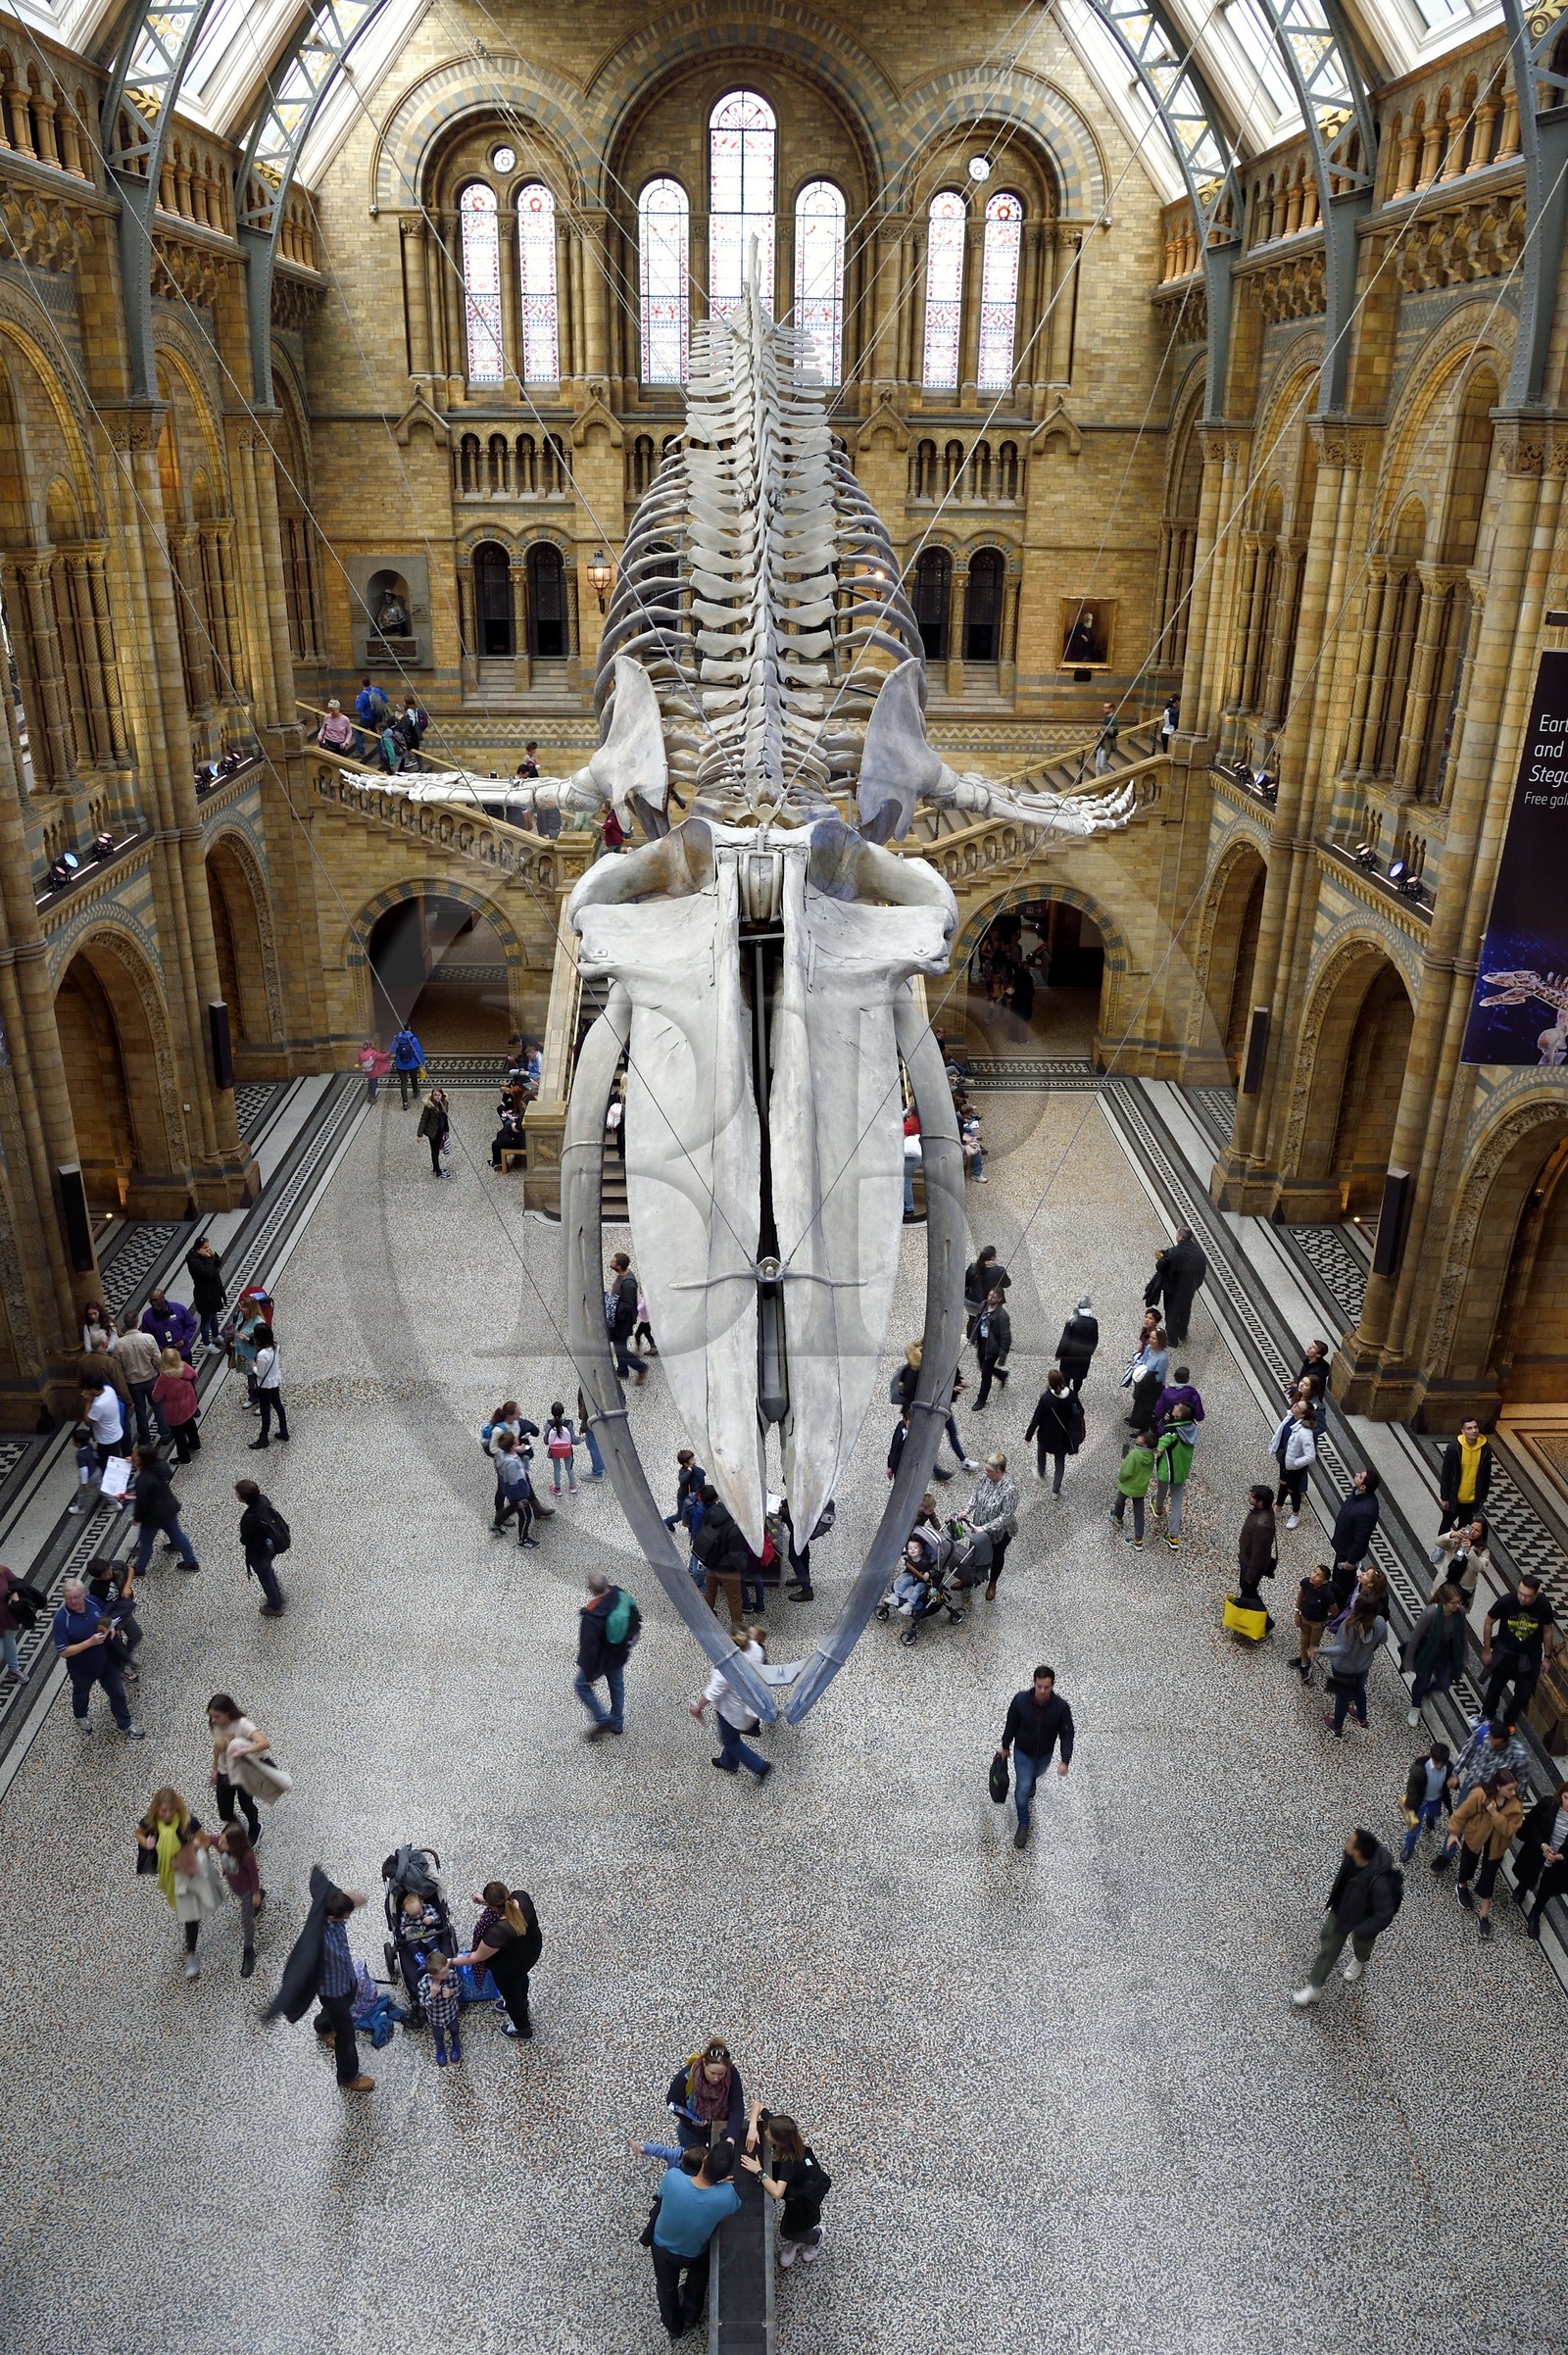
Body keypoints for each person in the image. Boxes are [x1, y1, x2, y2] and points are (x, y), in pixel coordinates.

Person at [641, 2135, 740, 2340]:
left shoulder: (673, 2177)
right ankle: (691, 2316)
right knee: (698, 2279)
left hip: (661, 2246)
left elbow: (661, 2195)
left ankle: (673, 2326)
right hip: (694, 2252)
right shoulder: (727, 2194)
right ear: (726, 2174)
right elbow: (734, 2207)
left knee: (666, 2287)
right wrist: (721, 2184)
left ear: (704, 2161)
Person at [1291, 1829, 1402, 2003]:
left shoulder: (1380, 1883)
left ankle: (1360, 1959)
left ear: (1358, 1851)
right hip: (1343, 1909)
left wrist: (1362, 1929)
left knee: (1362, 1945)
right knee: (1329, 1946)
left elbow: (1385, 1914)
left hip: (1364, 1918)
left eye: (1350, 1841)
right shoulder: (1352, 1857)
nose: (1346, 1843)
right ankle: (1315, 1988)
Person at [135, 1790, 218, 1979]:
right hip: (170, 1874)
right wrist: (145, 1842)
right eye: (163, 1811)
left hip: (188, 1873)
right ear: (156, 1810)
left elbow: (205, 1841)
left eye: (171, 1810)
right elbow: (138, 1832)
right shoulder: (152, 1822)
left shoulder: (187, 1822)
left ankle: (191, 1954)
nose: (167, 1815)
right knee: (183, 1906)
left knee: (190, 1914)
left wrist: (193, 1849)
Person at [741, 2108, 831, 2270]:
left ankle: (815, 2237)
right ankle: (800, 2238)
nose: (766, 2133)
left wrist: (758, 2170)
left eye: (769, 2133)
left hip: (801, 2201)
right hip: (796, 2192)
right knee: (791, 2226)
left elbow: (777, 2192)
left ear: (780, 2140)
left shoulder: (789, 2162)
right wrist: (753, 2127)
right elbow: (758, 2106)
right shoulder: (781, 2128)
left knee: (788, 2230)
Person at [452, 1883, 543, 2041]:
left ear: (494, 1907)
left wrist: (450, 1962)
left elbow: (476, 1957)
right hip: (531, 1951)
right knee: (521, 1978)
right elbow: (505, 1905)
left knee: (512, 1996)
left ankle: (522, 2029)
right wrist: (486, 1901)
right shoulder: (522, 1896)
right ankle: (524, 2002)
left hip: (509, 1967)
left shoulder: (497, 1932)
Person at [53, 1577, 143, 1736]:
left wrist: (111, 1629)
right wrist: (89, 1642)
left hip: (105, 1660)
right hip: (82, 1667)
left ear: (83, 1594)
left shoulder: (93, 1601)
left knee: (118, 1693)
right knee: (81, 1693)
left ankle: (125, 1723)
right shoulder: (62, 1620)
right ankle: (81, 1716)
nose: (73, 1602)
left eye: (76, 1597)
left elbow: (105, 1617)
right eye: (68, 1599)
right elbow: (63, 1651)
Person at [999, 1665, 1074, 1850]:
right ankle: (1023, 1822)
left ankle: (1032, 1779)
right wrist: (1005, 1746)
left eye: (1046, 1687)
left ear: (1052, 1685)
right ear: (1034, 1683)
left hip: (1044, 1755)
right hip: (1022, 1753)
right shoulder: (1020, 1701)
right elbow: (1011, 1724)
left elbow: (1067, 1734)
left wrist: (1065, 1759)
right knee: (1022, 1789)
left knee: (1035, 1774)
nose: (1042, 1691)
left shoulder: (1061, 1708)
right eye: (1039, 1686)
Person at [1441, 1771, 1524, 1940]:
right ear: (1499, 1787)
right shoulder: (1479, 1795)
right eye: (1510, 1789)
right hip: (1475, 1837)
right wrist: (1454, 1833)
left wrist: (1494, 1812)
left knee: (1489, 1878)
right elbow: (1461, 1814)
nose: (1514, 1793)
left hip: (1497, 1846)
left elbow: (1508, 1830)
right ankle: (1462, 1886)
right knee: (1467, 1866)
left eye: (1515, 1789)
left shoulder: (1515, 1807)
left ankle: (1484, 1916)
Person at [691, 1630, 774, 1782]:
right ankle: (728, 1763)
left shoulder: (725, 1668)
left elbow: (713, 1691)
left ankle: (759, 1766)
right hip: (750, 1703)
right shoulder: (756, 1649)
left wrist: (698, 1707)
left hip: (731, 1711)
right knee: (731, 1738)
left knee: (731, 1741)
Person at [1481, 1574, 1557, 1727]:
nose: (1522, 1598)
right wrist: (1487, 1650)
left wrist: (1547, 1657)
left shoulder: (1543, 1606)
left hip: (1530, 1656)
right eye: (1520, 1593)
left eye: (1527, 1596)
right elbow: (1488, 1622)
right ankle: (1487, 1715)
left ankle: (1509, 1721)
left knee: (1524, 1694)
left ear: (1536, 1594)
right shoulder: (1507, 1600)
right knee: (1495, 1687)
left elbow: (1548, 1631)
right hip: (1506, 1652)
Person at [576, 1570, 641, 1740]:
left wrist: (589, 1675)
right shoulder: (619, 1594)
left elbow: (589, 1649)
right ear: (607, 1585)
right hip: (618, 1655)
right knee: (617, 1687)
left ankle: (602, 1719)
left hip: (601, 1661)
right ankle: (617, 1723)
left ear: (591, 1589)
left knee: (581, 1685)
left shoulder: (592, 1616)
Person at [206, 1693, 271, 1841]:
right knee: (224, 1811)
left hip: (244, 1771)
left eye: (217, 1716)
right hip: (225, 1771)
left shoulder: (243, 1725)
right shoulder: (215, 1724)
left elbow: (264, 1743)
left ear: (227, 1713)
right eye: (211, 1716)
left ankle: (255, 1828)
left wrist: (244, 1750)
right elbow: (217, 1746)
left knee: (246, 1804)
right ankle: (237, 1827)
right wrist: (215, 1768)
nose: (213, 1720)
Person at [1320, 1597, 1389, 1737]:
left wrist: (1319, 1650)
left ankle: (1337, 1726)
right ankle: (1362, 1717)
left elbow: (1343, 1650)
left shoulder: (1350, 1624)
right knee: (1359, 1690)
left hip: (1343, 1668)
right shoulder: (1380, 1622)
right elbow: (1383, 1640)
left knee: (1342, 1697)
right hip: (1363, 1666)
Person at [128, 1445, 201, 1574]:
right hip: (168, 1508)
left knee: (146, 1544)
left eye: (135, 1455)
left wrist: (137, 1518)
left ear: (142, 1460)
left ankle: (139, 1569)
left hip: (152, 1516)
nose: (133, 1455)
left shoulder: (143, 1480)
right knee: (177, 1534)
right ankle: (191, 1562)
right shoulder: (160, 1465)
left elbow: (142, 1503)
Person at [665, 2038, 746, 2151]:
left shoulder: (732, 2074)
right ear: (704, 2063)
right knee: (692, 2162)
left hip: (721, 2126)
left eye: (721, 2074)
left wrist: (731, 2137)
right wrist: (693, 2121)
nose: (716, 2078)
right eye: (712, 2073)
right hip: (692, 2131)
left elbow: (736, 2105)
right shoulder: (687, 2076)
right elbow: (672, 2102)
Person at [1402, 1583, 1468, 1724]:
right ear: (1444, 1602)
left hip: (1446, 1652)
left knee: (1444, 1683)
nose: (1457, 1606)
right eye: (1453, 1603)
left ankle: (1426, 1694)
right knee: (1422, 1681)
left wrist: (1464, 1655)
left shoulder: (1460, 1612)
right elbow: (1415, 1637)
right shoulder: (1430, 1613)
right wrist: (1408, 1661)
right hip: (1427, 1650)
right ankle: (1415, 1707)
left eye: (1459, 1602)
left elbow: (1463, 1634)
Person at [1446, 1716, 1535, 1815]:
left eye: (1496, 1745)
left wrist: (1516, 1803)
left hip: (1493, 1795)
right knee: (1461, 1813)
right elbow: (1468, 1750)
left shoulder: (1519, 1755)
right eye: (1490, 1739)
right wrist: (1455, 1774)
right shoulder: (1483, 1734)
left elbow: (1523, 1781)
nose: (1490, 1744)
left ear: (1506, 1742)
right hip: (1472, 1783)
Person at [1512, 1780, 1568, 1938]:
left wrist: (1563, 1856)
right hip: (1539, 1850)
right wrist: (1542, 1844)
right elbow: (1530, 1824)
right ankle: (1522, 1887)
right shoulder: (1548, 1804)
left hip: (1560, 1861)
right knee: (1529, 1872)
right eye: (1566, 1797)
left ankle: (1535, 1913)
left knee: (1549, 1887)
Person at [214, 1822, 265, 1978]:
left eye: (223, 1842)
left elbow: (254, 1875)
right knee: (249, 1904)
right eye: (220, 1839)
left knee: (246, 1921)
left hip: (247, 1892)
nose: (219, 1843)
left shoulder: (247, 1856)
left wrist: (255, 1892)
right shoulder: (222, 1844)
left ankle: (249, 1950)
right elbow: (209, 1839)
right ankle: (260, 1896)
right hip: (235, 1886)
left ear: (235, 1845)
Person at [1434, 1416, 1492, 1549]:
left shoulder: (1486, 1449)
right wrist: (1444, 1497)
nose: (1474, 1431)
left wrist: (1482, 1496)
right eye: (1469, 1428)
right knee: (1446, 1523)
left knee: (1465, 1526)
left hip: (1471, 1499)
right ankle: (1441, 1547)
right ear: (1463, 1431)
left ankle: (1457, 1546)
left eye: (1475, 1427)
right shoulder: (1454, 1448)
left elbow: (1486, 1474)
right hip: (1455, 1497)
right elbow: (1446, 1474)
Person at [692, 1486, 747, 1624]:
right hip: (727, 1569)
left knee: (710, 1590)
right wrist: (744, 1564)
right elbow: (736, 1556)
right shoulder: (734, 1529)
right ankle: (737, 1631)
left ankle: (707, 1617)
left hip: (711, 1562)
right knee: (735, 1600)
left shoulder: (713, 1511)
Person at [111, 1319, 169, 1448]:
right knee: (158, 1406)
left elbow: (118, 1366)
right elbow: (157, 1359)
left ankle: (145, 1438)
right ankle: (165, 1434)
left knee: (140, 1410)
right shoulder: (148, 1338)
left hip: (133, 1382)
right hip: (151, 1378)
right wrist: (160, 1373)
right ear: (136, 1323)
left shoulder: (120, 1344)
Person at [1146, 1227, 1206, 1346]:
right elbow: (1202, 1272)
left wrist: (1161, 1257)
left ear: (1180, 1237)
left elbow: (1160, 1266)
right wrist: (1195, 1286)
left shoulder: (1173, 1252)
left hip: (1172, 1290)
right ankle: (1182, 1333)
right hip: (1189, 1290)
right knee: (1185, 1311)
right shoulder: (1199, 1254)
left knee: (1171, 1313)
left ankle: (1172, 1339)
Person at [1024, 1369, 1083, 1493]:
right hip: (1063, 1438)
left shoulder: (1046, 1398)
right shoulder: (1071, 1395)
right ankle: (1055, 1490)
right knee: (1060, 1462)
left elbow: (1037, 1418)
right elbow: (1080, 1412)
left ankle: (1041, 1474)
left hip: (1046, 1435)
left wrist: (1029, 1435)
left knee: (1041, 1452)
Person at [236, 1478, 288, 1615]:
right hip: (270, 1546)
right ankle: (277, 1593)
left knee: (264, 1577)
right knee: (267, 1570)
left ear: (243, 1498)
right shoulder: (263, 1501)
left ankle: (275, 1605)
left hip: (258, 1552)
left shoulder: (249, 1518)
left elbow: (246, 1539)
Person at [1149, 1406, 1197, 1546]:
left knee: (1162, 1489)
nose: (1174, 1407)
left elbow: (1164, 1440)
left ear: (1179, 1415)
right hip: (1181, 1471)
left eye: (1176, 1407)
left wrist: (1159, 1448)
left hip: (1168, 1470)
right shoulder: (1191, 1429)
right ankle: (1173, 1536)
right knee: (1177, 1503)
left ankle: (1158, 1507)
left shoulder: (1172, 1431)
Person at [1400, 1741, 1453, 1862]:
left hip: (1436, 1798)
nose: (1439, 1766)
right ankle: (1409, 1847)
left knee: (1434, 1813)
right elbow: (1412, 1787)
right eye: (1437, 1762)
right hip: (1421, 1801)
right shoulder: (1420, 1768)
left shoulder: (1449, 1769)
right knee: (1414, 1828)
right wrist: (1409, 1803)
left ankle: (1430, 1817)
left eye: (1442, 1763)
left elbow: (1450, 1785)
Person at [1270, 1398, 1317, 1528]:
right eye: (1295, 1404)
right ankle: (1277, 1509)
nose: (1294, 1406)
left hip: (1294, 1465)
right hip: (1285, 1459)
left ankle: (1295, 1515)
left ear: (1302, 1414)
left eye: (1298, 1406)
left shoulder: (1305, 1432)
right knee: (1282, 1484)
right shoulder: (1290, 1418)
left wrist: (1295, 1463)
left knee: (1293, 1489)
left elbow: (1310, 1456)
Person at [491, 1430, 540, 1547]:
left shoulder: (503, 1455)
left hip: (511, 1492)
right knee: (526, 1515)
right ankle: (523, 1539)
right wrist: (521, 1498)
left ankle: (495, 1525)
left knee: (511, 1509)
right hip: (518, 1494)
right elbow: (515, 1482)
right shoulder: (511, 1464)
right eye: (515, 1440)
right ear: (513, 1445)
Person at [152, 1348, 200, 1463]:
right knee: (190, 1423)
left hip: (175, 1411)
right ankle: (195, 1444)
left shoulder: (164, 1378)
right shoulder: (184, 1366)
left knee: (178, 1433)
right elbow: (195, 1375)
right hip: (190, 1403)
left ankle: (184, 1457)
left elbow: (156, 1397)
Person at [1430, 1515, 1492, 1604]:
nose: (1472, 1532)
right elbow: (1438, 1542)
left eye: (1477, 1530)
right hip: (1445, 1581)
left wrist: (1469, 1551)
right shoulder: (1458, 1538)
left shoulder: (1484, 1550)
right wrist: (1452, 1534)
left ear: (1481, 1534)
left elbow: (1479, 1567)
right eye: (1471, 1528)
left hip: (1462, 1588)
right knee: (1435, 1607)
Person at [608, 1251, 649, 1385]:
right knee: (619, 1346)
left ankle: (641, 1367)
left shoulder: (628, 1283)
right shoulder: (622, 1277)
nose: (610, 1262)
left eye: (613, 1261)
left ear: (619, 1266)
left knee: (620, 1349)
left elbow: (629, 1305)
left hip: (622, 1322)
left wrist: (613, 1307)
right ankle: (622, 1371)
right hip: (618, 1320)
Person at [1237, 1485, 1278, 1613]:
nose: (1250, 1497)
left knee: (1248, 1589)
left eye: (1253, 1496)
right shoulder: (1263, 1511)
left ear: (1260, 1503)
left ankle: (1264, 1621)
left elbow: (1257, 1552)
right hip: (1247, 1559)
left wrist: (1250, 1575)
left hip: (1250, 1563)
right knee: (1248, 1590)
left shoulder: (1261, 1524)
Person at [247, 1324, 289, 1450]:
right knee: (278, 1405)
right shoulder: (276, 1346)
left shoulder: (262, 1354)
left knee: (265, 1411)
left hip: (265, 1386)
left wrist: (252, 1365)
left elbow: (260, 1373)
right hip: (274, 1381)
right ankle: (284, 1431)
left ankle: (263, 1438)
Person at [1111, 1430, 1155, 1546]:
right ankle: (1138, 1540)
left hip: (1128, 1485)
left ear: (1144, 1444)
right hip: (1140, 1487)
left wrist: (1121, 1478)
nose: (1138, 1437)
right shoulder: (1150, 1456)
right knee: (1139, 1512)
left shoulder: (1134, 1454)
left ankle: (1118, 1519)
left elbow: (1126, 1471)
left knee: (1120, 1502)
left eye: (1141, 1437)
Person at [417, 1951, 463, 2066]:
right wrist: (432, 1995)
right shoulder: (423, 1984)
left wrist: (452, 1992)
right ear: (433, 1976)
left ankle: (456, 2045)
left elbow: (460, 1987)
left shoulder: (452, 1975)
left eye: (447, 1969)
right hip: (435, 2018)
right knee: (438, 2035)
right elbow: (422, 2003)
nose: (447, 1973)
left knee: (454, 2029)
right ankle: (440, 2050)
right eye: (443, 1973)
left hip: (451, 2013)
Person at [969, 1288, 1011, 1411]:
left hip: (992, 1349)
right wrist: (973, 1337)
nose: (989, 1298)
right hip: (982, 1344)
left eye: (993, 1297)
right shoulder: (983, 1305)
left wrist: (1003, 1356)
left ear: (999, 1299)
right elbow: (977, 1320)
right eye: (989, 1295)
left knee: (985, 1374)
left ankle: (981, 1399)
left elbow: (1006, 1336)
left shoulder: (1002, 1316)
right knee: (983, 1367)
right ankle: (1002, 1375)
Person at [1330, 1468, 1380, 1569]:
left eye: (1360, 1477)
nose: (1356, 1474)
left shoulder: (1367, 1511)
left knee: (1343, 1581)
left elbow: (1361, 1538)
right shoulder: (1357, 1494)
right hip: (1342, 1545)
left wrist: (1351, 1560)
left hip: (1347, 1552)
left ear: (1363, 1486)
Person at [1293, 1561, 1334, 1683]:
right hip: (1304, 1618)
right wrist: (1297, 1612)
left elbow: (1334, 1611)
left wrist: (1325, 1622)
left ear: (1324, 1581)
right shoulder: (1306, 1583)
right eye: (1314, 1572)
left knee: (1312, 1645)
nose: (1314, 1575)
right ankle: (1304, 1661)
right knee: (1303, 1641)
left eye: (1318, 1575)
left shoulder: (1327, 1594)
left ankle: (1306, 1664)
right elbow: (1301, 1595)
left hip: (1317, 1624)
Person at [185, 1237, 226, 1352]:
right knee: (206, 1318)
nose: (208, 1250)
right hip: (204, 1294)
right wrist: (209, 1259)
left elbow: (217, 1265)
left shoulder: (206, 1256)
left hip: (213, 1291)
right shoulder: (193, 1261)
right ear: (198, 1249)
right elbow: (207, 1273)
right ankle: (207, 1344)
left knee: (214, 1314)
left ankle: (215, 1335)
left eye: (209, 1247)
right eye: (205, 1248)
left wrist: (215, 1256)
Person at [1125, 1324, 1168, 1432]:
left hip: (1153, 1386)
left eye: (1155, 1338)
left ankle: (1143, 1430)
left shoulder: (1163, 1358)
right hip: (1142, 1381)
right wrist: (1136, 1369)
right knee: (1138, 1402)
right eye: (1151, 1337)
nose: (1151, 1340)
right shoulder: (1149, 1348)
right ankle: (1135, 1419)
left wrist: (1145, 1377)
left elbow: (1159, 1377)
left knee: (1147, 1408)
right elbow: (1142, 1360)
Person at [81, 1374, 128, 1469]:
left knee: (107, 1465)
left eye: (86, 1389)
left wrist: (87, 1402)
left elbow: (88, 1421)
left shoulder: (99, 1406)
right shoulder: (109, 1390)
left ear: (93, 1389)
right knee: (111, 1457)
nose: (84, 1391)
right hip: (115, 1431)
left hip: (107, 1439)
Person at [140, 1289, 199, 1362]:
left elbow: (191, 1325)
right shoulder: (147, 1317)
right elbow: (147, 1338)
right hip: (164, 1356)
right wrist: (160, 1348)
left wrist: (184, 1339)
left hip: (183, 1353)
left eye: (155, 1300)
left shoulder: (178, 1309)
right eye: (151, 1301)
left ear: (163, 1298)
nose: (153, 1303)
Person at [1055, 1297, 1099, 1396]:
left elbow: (1065, 1340)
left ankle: (1066, 1393)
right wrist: (1089, 1352)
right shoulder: (1093, 1322)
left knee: (1066, 1376)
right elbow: (1094, 1340)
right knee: (1078, 1377)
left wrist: (1059, 1353)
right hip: (1083, 1356)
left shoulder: (1072, 1320)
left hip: (1069, 1355)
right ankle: (1075, 1393)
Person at [544, 1401, 580, 1495]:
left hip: (554, 1450)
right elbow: (573, 1440)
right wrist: (582, 1439)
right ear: (563, 1412)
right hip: (567, 1449)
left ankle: (557, 1488)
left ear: (552, 1412)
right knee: (569, 1468)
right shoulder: (568, 1423)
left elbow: (546, 1441)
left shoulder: (548, 1424)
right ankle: (573, 1486)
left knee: (557, 1468)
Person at [963, 1246, 1010, 1317]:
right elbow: (1007, 1284)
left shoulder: (973, 1267)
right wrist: (996, 1267)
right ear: (992, 1257)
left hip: (971, 1303)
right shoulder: (999, 1271)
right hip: (988, 1305)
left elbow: (965, 1283)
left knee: (973, 1319)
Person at [416, 1086, 452, 1178]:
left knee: (438, 1149)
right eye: (435, 1095)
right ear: (432, 1095)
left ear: (442, 1095)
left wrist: (446, 1129)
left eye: (438, 1095)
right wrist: (419, 1134)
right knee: (435, 1151)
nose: (437, 1097)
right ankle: (438, 1171)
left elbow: (445, 1117)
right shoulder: (429, 1106)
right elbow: (423, 1119)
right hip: (433, 1132)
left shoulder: (444, 1103)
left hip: (441, 1130)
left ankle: (436, 1168)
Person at [69, 1421, 103, 1513]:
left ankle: (80, 1508)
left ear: (78, 1443)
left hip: (90, 1476)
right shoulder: (89, 1446)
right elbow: (95, 1455)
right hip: (97, 1470)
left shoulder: (80, 1455)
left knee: (82, 1493)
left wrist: (84, 1483)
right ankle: (115, 1503)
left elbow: (83, 1470)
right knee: (102, 1488)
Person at [389, 1024, 424, 1108]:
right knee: (414, 1078)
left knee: (403, 1083)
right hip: (412, 1064)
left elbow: (392, 1050)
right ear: (409, 1028)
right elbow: (417, 1052)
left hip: (400, 1065)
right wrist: (421, 1062)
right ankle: (415, 1092)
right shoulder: (413, 1039)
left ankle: (405, 1102)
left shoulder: (397, 1039)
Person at [576, 1388, 606, 1482]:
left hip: (593, 1421)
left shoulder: (588, 1386)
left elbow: (586, 1412)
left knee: (593, 1447)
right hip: (606, 1419)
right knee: (603, 1443)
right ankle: (605, 1464)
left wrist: (583, 1427)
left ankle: (597, 1473)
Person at [357, 1041, 391, 1105]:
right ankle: (372, 1097)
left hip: (367, 1071)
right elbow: (383, 1057)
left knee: (370, 1081)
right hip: (373, 1071)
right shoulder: (373, 1053)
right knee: (374, 1083)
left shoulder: (361, 1053)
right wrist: (390, 1052)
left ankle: (369, 1094)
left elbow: (359, 1061)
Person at [1094, 701, 1119, 775]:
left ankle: (1114, 776)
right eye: (1103, 707)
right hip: (1102, 743)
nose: (1103, 709)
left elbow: (1115, 732)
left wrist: (1104, 730)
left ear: (1111, 709)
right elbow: (1103, 728)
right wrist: (1098, 732)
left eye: (1106, 707)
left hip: (1107, 744)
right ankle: (1097, 781)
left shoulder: (1113, 720)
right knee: (1097, 764)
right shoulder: (1106, 718)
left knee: (1103, 765)